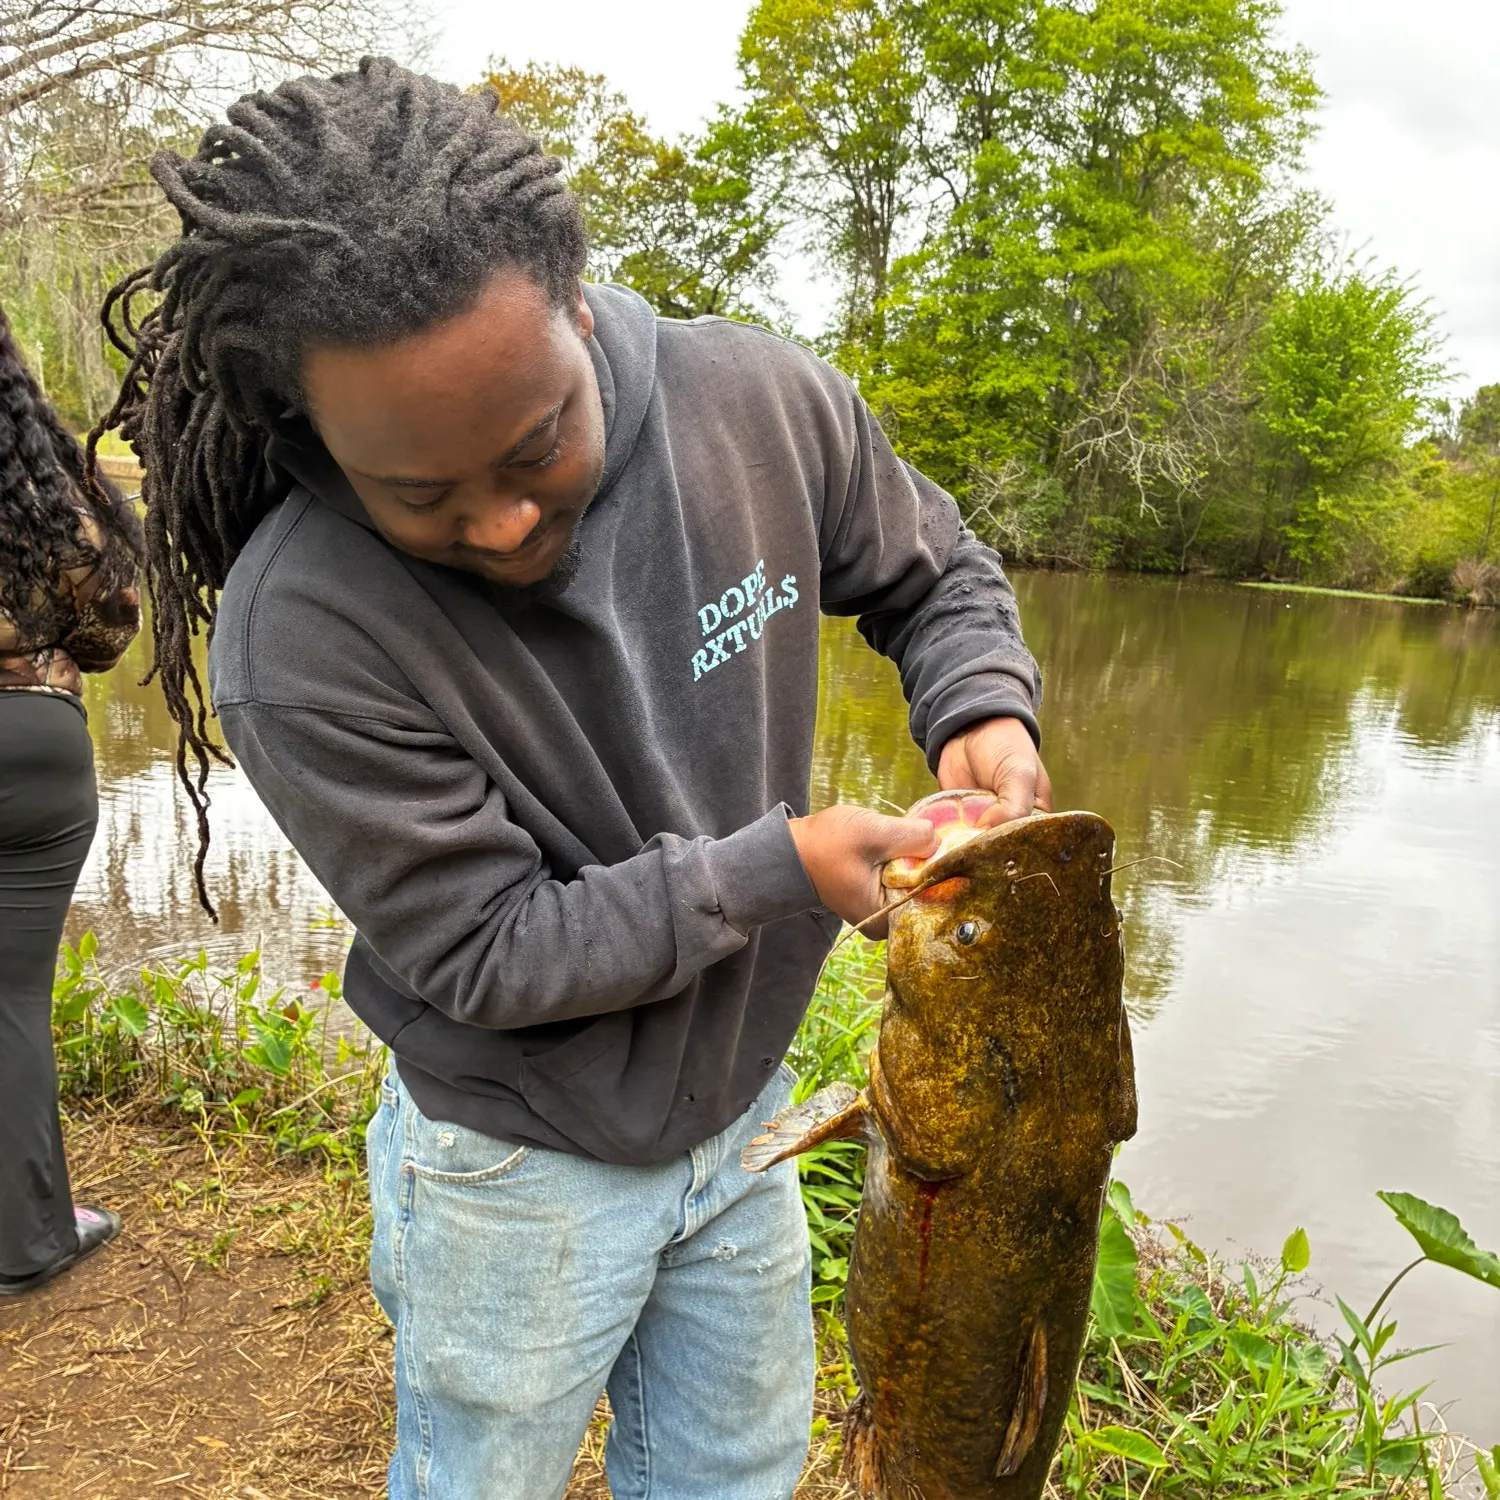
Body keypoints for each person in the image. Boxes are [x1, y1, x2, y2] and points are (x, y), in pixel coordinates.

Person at [97, 58, 1050, 1500]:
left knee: (737, 1471)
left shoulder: (760, 404)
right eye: (418, 491)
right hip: (515, 1157)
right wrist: (775, 870)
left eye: (539, 441)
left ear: (580, 310)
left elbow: (933, 570)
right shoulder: (299, 635)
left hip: (742, 1116)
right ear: (316, 443)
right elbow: (486, 948)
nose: (501, 516)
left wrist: (981, 703)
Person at [0, 307, 140, 1296]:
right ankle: (31, 1240)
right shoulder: (52, 496)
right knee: (10, 998)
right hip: (33, 744)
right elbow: (109, 628)